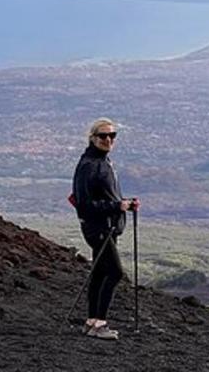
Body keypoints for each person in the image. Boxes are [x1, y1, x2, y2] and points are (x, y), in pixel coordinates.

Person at [71, 118, 137, 340]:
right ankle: (99, 324)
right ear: (92, 138)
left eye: (112, 136)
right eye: (103, 136)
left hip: (107, 226)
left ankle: (91, 322)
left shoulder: (102, 161)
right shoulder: (90, 165)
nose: (108, 139)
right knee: (115, 272)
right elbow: (84, 204)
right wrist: (117, 205)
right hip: (98, 228)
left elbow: (104, 196)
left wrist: (124, 203)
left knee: (100, 272)